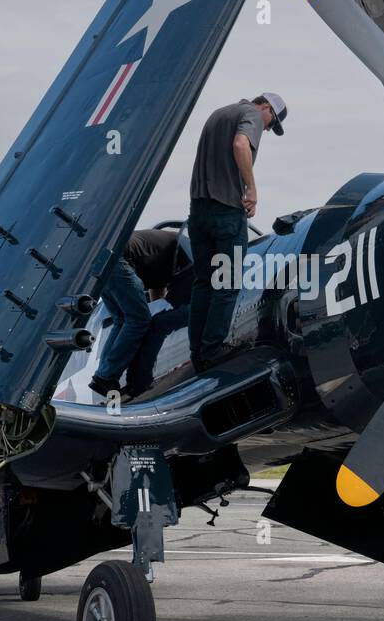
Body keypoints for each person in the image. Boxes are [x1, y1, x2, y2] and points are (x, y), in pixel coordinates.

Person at [186, 93, 287, 371]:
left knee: (204, 283)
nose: (266, 128)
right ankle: (213, 348)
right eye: (272, 122)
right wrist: (251, 189)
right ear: (265, 107)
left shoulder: (218, 112)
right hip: (226, 212)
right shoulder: (251, 115)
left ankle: (198, 352)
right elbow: (241, 144)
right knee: (228, 283)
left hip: (198, 212)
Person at [89, 229, 179, 398]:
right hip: (116, 259)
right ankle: (107, 376)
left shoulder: (162, 249)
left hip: (98, 259)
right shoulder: (186, 250)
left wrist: (155, 307)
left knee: (121, 319)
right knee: (139, 320)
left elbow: (157, 287)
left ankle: (103, 375)